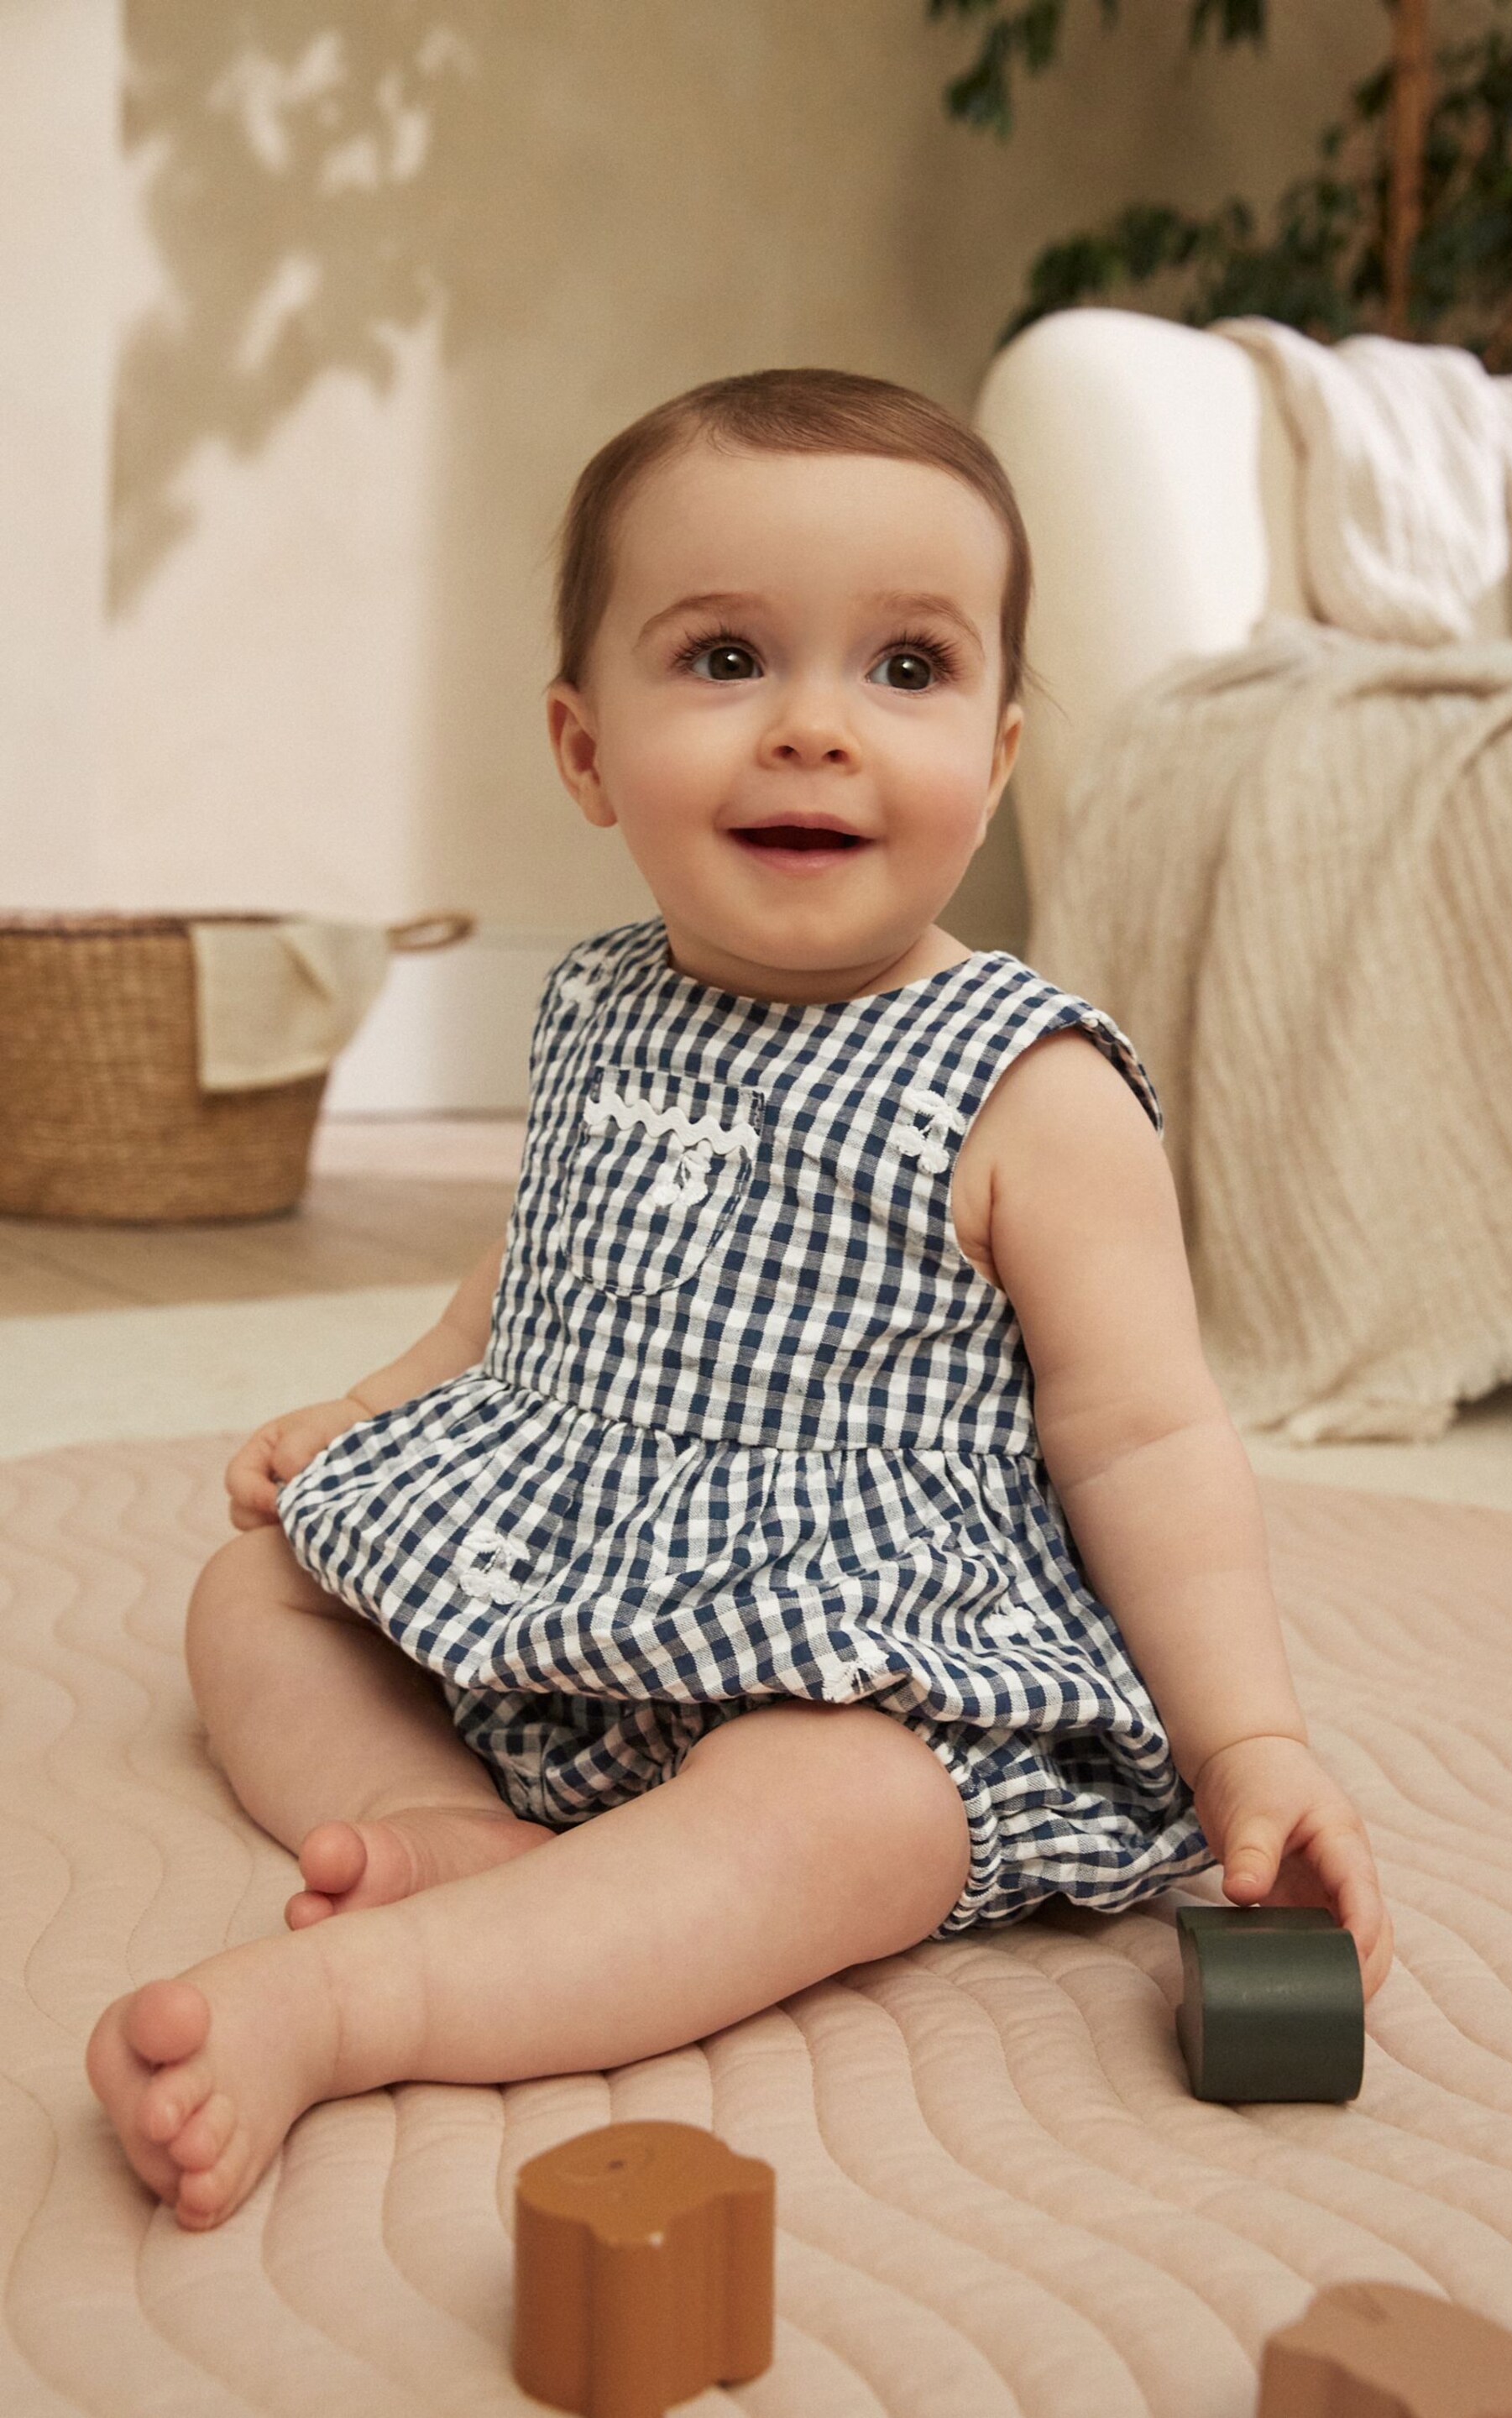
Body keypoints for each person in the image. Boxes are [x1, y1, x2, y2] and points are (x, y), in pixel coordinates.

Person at [86, 366, 1392, 2231]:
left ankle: (377, 1997)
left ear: (1003, 754)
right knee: (256, 1593)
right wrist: (383, 1406)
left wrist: (1249, 1741)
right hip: (574, 1576)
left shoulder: (1031, 1084)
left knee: (853, 1819)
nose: (812, 731)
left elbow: (1147, 1434)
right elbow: (545, 1263)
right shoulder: (601, 997)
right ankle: (460, 1835)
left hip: (855, 1648)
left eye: (907, 670)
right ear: (583, 746)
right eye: (723, 661)